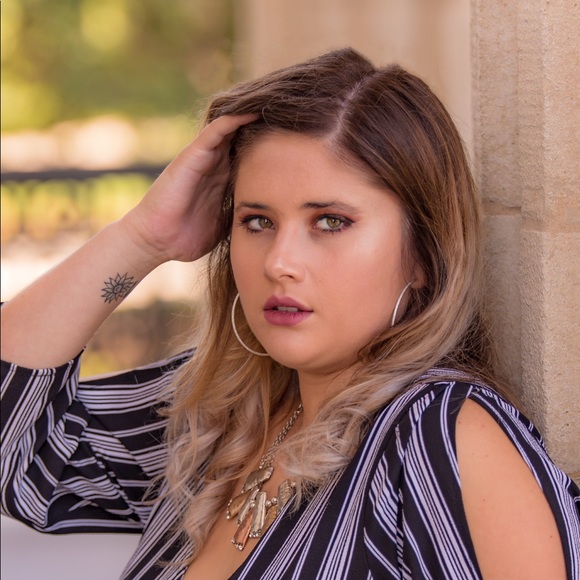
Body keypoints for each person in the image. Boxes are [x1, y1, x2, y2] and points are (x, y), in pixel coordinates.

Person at [1, 48, 578, 580]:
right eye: (257, 221)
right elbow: (16, 451)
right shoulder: (221, 419)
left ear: (423, 253)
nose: (279, 262)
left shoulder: (439, 436)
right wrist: (142, 238)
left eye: (330, 221)